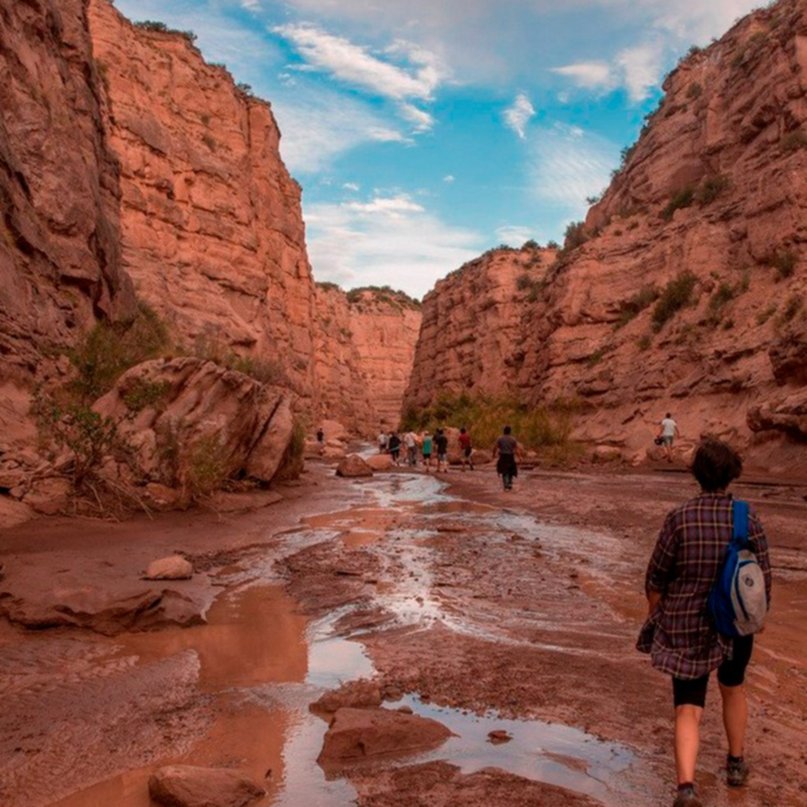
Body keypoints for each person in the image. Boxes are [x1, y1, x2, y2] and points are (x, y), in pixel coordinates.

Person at [637, 438, 772, 807]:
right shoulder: (747, 518)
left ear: (696, 474)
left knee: (688, 706)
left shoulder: (680, 517)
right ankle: (736, 763)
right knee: (734, 688)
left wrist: (656, 615)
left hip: (685, 624)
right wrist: (757, 620)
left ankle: (686, 788)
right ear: (732, 475)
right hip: (734, 622)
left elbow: (656, 577)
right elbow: (763, 577)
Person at [492, 425, 519, 490]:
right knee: (511, 470)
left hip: (503, 456)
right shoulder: (513, 439)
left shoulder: (500, 438)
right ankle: (509, 483)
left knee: (504, 470)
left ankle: (505, 484)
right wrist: (519, 457)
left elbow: (495, 447)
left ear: (504, 431)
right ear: (510, 431)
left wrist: (493, 454)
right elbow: (516, 449)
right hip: (510, 456)